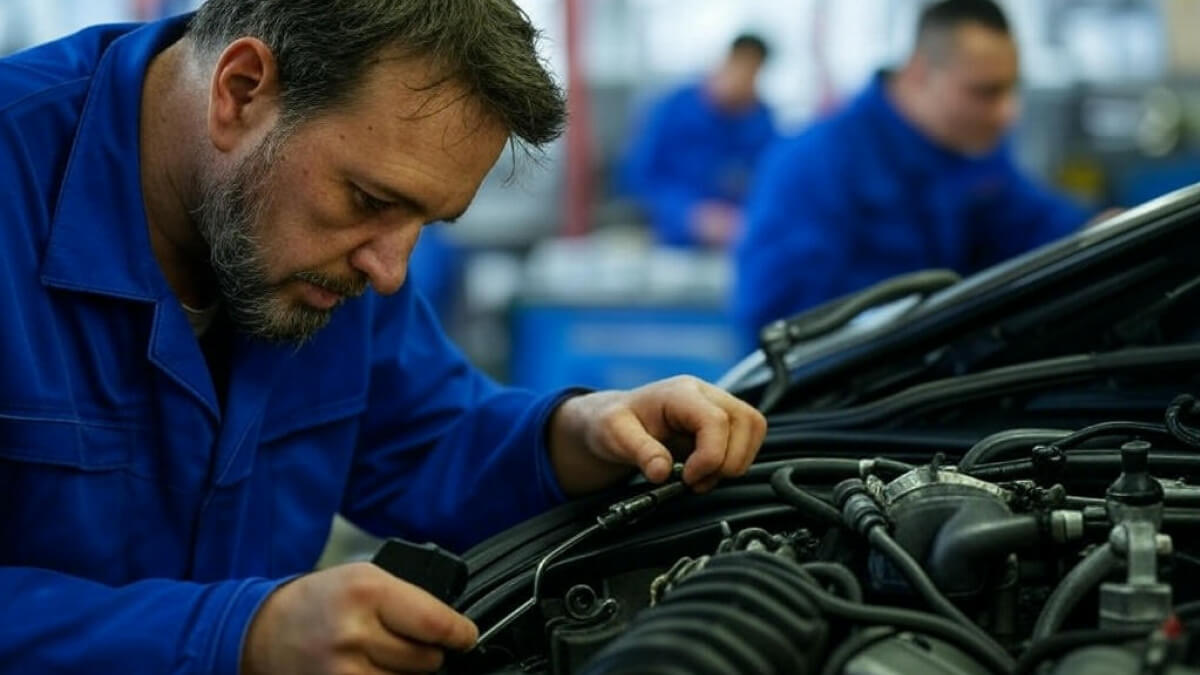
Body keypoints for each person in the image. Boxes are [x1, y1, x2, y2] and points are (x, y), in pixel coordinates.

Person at [0, 2, 768, 673]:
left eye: (424, 223)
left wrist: (578, 431)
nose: (392, 270)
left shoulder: (327, 242)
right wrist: (236, 636)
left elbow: (421, 433)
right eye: (369, 199)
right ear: (240, 92)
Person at [733, 0, 1093, 341]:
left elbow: (1032, 224)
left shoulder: (971, 150)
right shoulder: (814, 165)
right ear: (920, 73)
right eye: (986, 92)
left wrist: (1097, 232)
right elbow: (779, 326)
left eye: (1012, 90)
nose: (1007, 113)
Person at [619, 33, 777, 249]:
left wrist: (742, 219)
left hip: (735, 245)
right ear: (725, 63)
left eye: (752, 74)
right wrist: (687, 216)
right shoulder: (672, 109)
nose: (742, 81)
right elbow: (638, 177)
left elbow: (768, 184)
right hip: (670, 242)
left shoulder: (761, 122)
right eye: (739, 68)